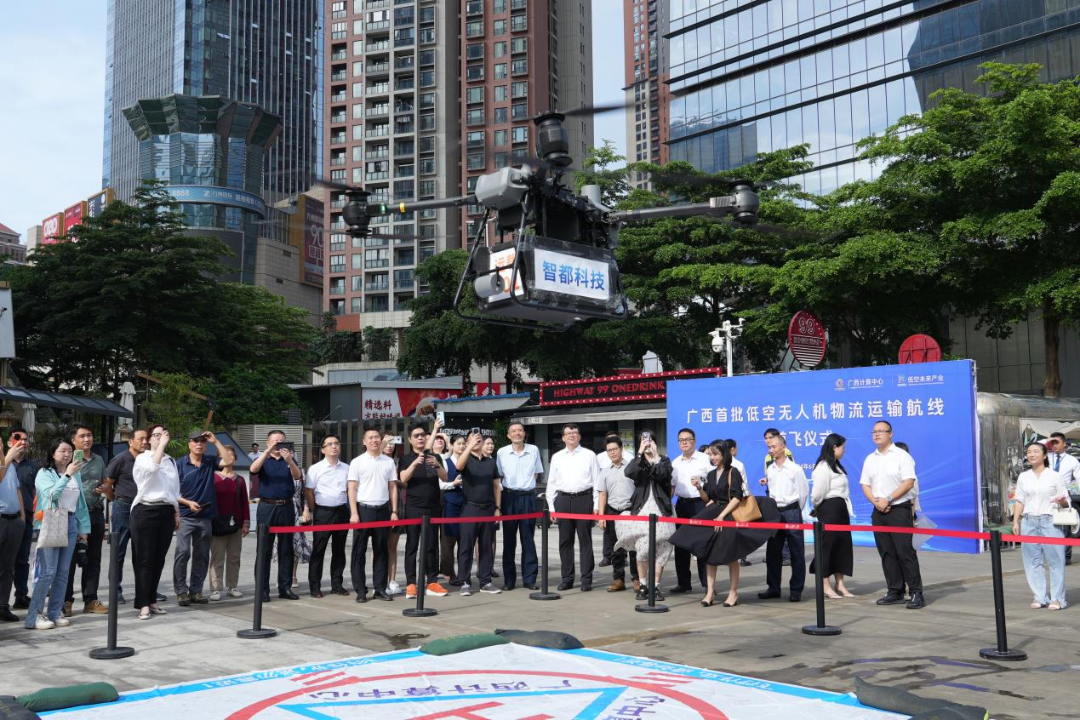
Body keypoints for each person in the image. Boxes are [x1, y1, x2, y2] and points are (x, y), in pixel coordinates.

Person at [671, 440, 780, 607]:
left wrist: (721, 516)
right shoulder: (712, 474)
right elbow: (708, 498)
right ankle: (709, 592)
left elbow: (736, 497)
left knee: (731, 556)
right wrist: (700, 488)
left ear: (724, 455)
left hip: (728, 515)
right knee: (708, 554)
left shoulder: (733, 472)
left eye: (715, 454)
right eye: (710, 454)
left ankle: (733, 593)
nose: (712, 457)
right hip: (715, 513)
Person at [24, 438, 89, 630]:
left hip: (70, 521)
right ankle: (34, 615)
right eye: (63, 451)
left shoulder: (75, 474)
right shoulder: (44, 473)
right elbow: (52, 495)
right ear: (53, 454)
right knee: (47, 572)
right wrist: (67, 475)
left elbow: (81, 504)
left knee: (63, 572)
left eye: (70, 451)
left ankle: (54, 611)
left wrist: (83, 530)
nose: (67, 454)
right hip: (51, 520)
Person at [860, 420, 924, 609]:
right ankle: (895, 590)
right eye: (874, 432)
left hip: (898, 509)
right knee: (886, 552)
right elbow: (865, 484)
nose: (877, 434)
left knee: (905, 552)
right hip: (878, 510)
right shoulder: (870, 458)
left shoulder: (901, 456)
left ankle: (916, 592)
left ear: (891, 434)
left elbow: (908, 482)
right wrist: (877, 502)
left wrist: (887, 499)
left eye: (881, 431)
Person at [616, 431, 675, 601]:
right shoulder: (638, 461)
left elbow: (663, 475)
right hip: (642, 509)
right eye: (643, 441)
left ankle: (655, 586)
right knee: (642, 547)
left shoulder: (663, 460)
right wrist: (640, 452)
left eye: (650, 441)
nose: (647, 444)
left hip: (661, 509)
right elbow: (629, 472)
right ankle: (643, 585)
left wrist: (655, 455)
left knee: (663, 546)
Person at [174, 430, 228, 606]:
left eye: (202, 442)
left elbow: (229, 461)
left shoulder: (210, 461)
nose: (199, 444)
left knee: (202, 555)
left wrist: (216, 441)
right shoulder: (179, 464)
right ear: (189, 443)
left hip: (205, 516)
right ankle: (181, 591)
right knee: (183, 553)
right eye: (195, 441)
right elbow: (170, 492)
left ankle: (196, 591)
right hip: (185, 516)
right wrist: (187, 502)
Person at [130, 425, 179, 620]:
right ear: (149, 439)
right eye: (156, 435)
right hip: (145, 510)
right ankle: (142, 603)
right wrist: (160, 447)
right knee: (144, 560)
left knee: (159, 559)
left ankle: (152, 600)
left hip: (166, 510)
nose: (161, 438)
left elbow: (174, 490)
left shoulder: (170, 461)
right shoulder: (143, 458)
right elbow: (151, 469)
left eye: (164, 435)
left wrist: (176, 512)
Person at [249, 430, 304, 601]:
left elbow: (297, 476)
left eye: (282, 441)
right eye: (275, 441)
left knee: (286, 549)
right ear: (268, 443)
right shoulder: (264, 459)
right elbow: (253, 469)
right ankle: (262, 589)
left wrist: (289, 460)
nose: (279, 444)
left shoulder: (289, 459)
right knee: (264, 549)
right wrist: (267, 453)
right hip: (267, 506)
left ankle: (285, 587)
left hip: (286, 506)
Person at [1013, 441, 1068, 610]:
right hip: (1029, 521)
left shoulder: (1054, 476)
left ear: (1045, 455)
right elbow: (1020, 500)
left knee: (1056, 562)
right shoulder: (1024, 476)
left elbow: (1066, 502)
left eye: (1036, 451)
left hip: (1050, 521)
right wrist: (1016, 521)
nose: (1032, 454)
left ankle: (1057, 599)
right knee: (1032, 562)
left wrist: (1063, 501)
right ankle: (1040, 597)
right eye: (1029, 452)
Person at [347, 428, 399, 602]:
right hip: (363, 510)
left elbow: (393, 487)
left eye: (377, 437)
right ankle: (361, 590)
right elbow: (352, 488)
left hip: (383, 510)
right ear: (364, 441)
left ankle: (380, 588)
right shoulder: (357, 462)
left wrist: (394, 511)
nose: (374, 440)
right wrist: (354, 512)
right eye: (370, 438)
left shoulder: (388, 462)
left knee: (381, 550)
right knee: (359, 552)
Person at [62, 424, 108, 617]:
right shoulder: (68, 459)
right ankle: (66, 600)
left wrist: (102, 488)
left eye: (89, 435)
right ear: (74, 440)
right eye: (82, 436)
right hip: (73, 515)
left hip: (95, 512)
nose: (87, 439)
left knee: (94, 559)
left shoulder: (99, 460)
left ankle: (90, 600)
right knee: (70, 559)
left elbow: (106, 482)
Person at [399, 422, 449, 599]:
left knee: (431, 545)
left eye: (422, 435)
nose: (420, 438)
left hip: (433, 506)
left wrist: (436, 464)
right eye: (416, 435)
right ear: (410, 439)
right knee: (412, 545)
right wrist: (414, 463)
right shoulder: (405, 458)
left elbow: (445, 477)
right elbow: (403, 480)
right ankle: (411, 583)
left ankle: (432, 581)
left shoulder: (435, 457)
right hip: (413, 507)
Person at [547, 423, 599, 592]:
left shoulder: (590, 455)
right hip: (562, 500)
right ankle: (567, 578)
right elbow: (552, 483)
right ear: (563, 437)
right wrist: (551, 507)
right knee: (565, 542)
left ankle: (586, 579)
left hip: (584, 499)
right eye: (568, 433)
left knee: (585, 541)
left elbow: (597, 481)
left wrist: (596, 506)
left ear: (579, 436)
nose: (571, 435)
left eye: (575, 432)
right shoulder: (557, 457)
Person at [101, 428, 150, 605]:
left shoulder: (149, 459)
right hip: (124, 507)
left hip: (144, 509)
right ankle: (115, 590)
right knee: (118, 550)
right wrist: (116, 500)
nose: (145, 442)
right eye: (141, 439)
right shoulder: (121, 459)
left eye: (146, 439)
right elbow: (107, 484)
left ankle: (145, 590)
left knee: (144, 552)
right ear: (131, 442)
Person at [758, 433, 808, 602]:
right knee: (773, 551)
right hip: (775, 513)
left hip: (792, 511)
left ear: (783, 447)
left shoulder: (795, 469)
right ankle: (773, 587)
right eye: (769, 447)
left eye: (774, 447)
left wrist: (795, 510)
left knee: (796, 552)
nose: (771, 450)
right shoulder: (770, 469)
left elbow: (803, 494)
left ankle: (796, 589)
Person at [496, 421, 543, 591]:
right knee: (509, 540)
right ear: (508, 435)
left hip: (528, 498)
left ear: (524, 433)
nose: (517, 433)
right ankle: (509, 580)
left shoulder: (534, 450)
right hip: (509, 497)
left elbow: (537, 473)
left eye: (520, 431)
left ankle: (529, 579)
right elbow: (499, 477)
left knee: (528, 540)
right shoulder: (502, 453)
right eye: (513, 431)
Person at [455, 431, 502, 596]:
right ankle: (465, 582)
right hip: (470, 508)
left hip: (488, 508)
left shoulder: (490, 462)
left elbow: (497, 486)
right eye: (473, 440)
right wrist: (468, 448)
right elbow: (458, 467)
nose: (477, 442)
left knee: (486, 546)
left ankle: (485, 581)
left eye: (479, 439)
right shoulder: (466, 459)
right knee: (466, 546)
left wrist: (497, 508)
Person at [304, 435, 351, 598]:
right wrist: (314, 509)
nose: (334, 447)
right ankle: (315, 586)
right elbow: (309, 491)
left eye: (336, 443)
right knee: (319, 549)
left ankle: (337, 584)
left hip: (342, 511)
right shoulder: (316, 468)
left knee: (339, 550)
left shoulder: (346, 467)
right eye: (329, 444)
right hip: (323, 512)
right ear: (323, 449)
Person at [809, 434, 855, 599]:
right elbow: (817, 493)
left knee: (841, 546)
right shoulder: (823, 466)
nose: (844, 451)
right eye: (842, 447)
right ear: (834, 447)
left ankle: (840, 584)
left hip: (841, 509)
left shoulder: (837, 466)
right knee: (827, 547)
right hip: (829, 509)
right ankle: (825, 585)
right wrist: (817, 506)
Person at [669, 428, 711, 594]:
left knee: (702, 544)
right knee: (681, 544)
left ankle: (707, 584)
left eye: (687, 439)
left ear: (694, 441)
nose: (684, 442)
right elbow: (672, 486)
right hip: (682, 505)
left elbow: (712, 480)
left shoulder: (705, 459)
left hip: (701, 504)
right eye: (681, 440)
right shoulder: (675, 462)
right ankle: (683, 582)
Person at [596, 436, 638, 592]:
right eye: (609, 450)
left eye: (615, 449)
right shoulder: (605, 472)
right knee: (616, 548)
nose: (612, 452)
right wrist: (601, 516)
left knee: (634, 548)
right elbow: (602, 495)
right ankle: (618, 579)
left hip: (631, 510)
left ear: (621, 449)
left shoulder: (632, 468)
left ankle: (637, 579)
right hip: (612, 510)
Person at [208, 447, 249, 600]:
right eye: (225, 455)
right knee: (217, 557)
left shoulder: (240, 479)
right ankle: (216, 588)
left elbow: (244, 502)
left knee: (234, 557)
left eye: (232, 455)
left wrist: (245, 523)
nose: (229, 457)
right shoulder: (212, 477)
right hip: (217, 523)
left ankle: (232, 586)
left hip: (235, 525)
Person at [5, 429, 35, 613]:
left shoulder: (33, 466)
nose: (22, 442)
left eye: (25, 439)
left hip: (26, 518)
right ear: (9, 443)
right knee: (6, 562)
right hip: (6, 519)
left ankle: (21, 595)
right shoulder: (4, 465)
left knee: (23, 560)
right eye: (17, 438)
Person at [0, 434, 28, 622]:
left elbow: (17, 489)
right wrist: (8, 458)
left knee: (7, 567)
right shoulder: (6, 462)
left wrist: (22, 517)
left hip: (14, 520)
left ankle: (2, 605)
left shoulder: (6, 463)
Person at [1046, 432, 1079, 565]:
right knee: (1049, 527)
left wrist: (1070, 490)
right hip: (1047, 496)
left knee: (1064, 527)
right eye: (1052, 443)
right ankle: (1052, 556)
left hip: (1063, 496)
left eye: (1057, 442)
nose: (1054, 445)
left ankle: (1065, 557)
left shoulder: (1072, 460)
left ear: (1065, 444)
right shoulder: (1046, 457)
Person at [440, 435, 467, 584]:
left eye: (464, 444)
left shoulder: (468, 461)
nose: (462, 446)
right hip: (450, 503)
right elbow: (440, 483)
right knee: (448, 541)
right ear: (451, 445)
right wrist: (453, 484)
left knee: (464, 541)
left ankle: (464, 574)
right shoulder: (445, 461)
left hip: (466, 504)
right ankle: (449, 574)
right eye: (459, 443)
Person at [382, 432, 405, 596]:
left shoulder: (398, 462)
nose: (390, 445)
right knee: (379, 545)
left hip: (396, 506)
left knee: (392, 546)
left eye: (393, 442)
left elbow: (404, 482)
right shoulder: (371, 461)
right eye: (387, 442)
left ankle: (392, 580)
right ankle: (380, 580)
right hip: (378, 505)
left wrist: (393, 480)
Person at [726, 438, 752, 567]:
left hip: (724, 502)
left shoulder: (718, 464)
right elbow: (744, 485)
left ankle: (728, 555)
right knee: (741, 529)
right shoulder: (738, 464)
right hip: (737, 501)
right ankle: (741, 557)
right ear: (732, 449)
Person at [288, 465, 312, 589]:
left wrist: (306, 509)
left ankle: (293, 575)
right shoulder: (278, 467)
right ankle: (283, 574)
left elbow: (305, 492)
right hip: (281, 508)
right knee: (282, 544)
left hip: (296, 509)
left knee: (296, 543)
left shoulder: (299, 470)